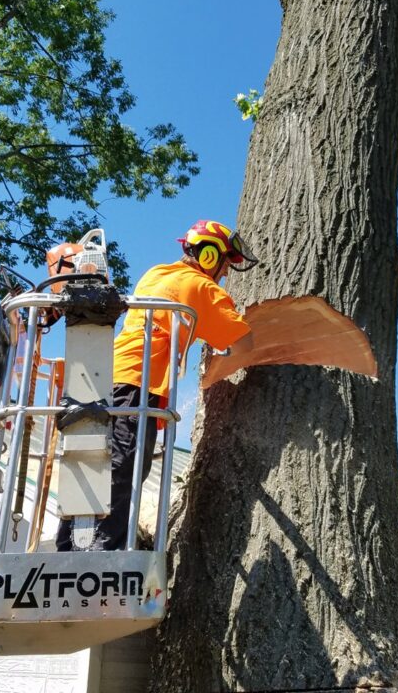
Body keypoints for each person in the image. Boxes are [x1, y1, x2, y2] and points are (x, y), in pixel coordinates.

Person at [56, 220, 258, 551]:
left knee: (96, 464)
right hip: (138, 384)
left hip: (106, 375)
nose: (224, 274)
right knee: (123, 468)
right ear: (209, 256)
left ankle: (71, 549)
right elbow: (245, 344)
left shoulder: (158, 273)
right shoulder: (201, 288)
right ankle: (97, 557)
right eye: (224, 264)